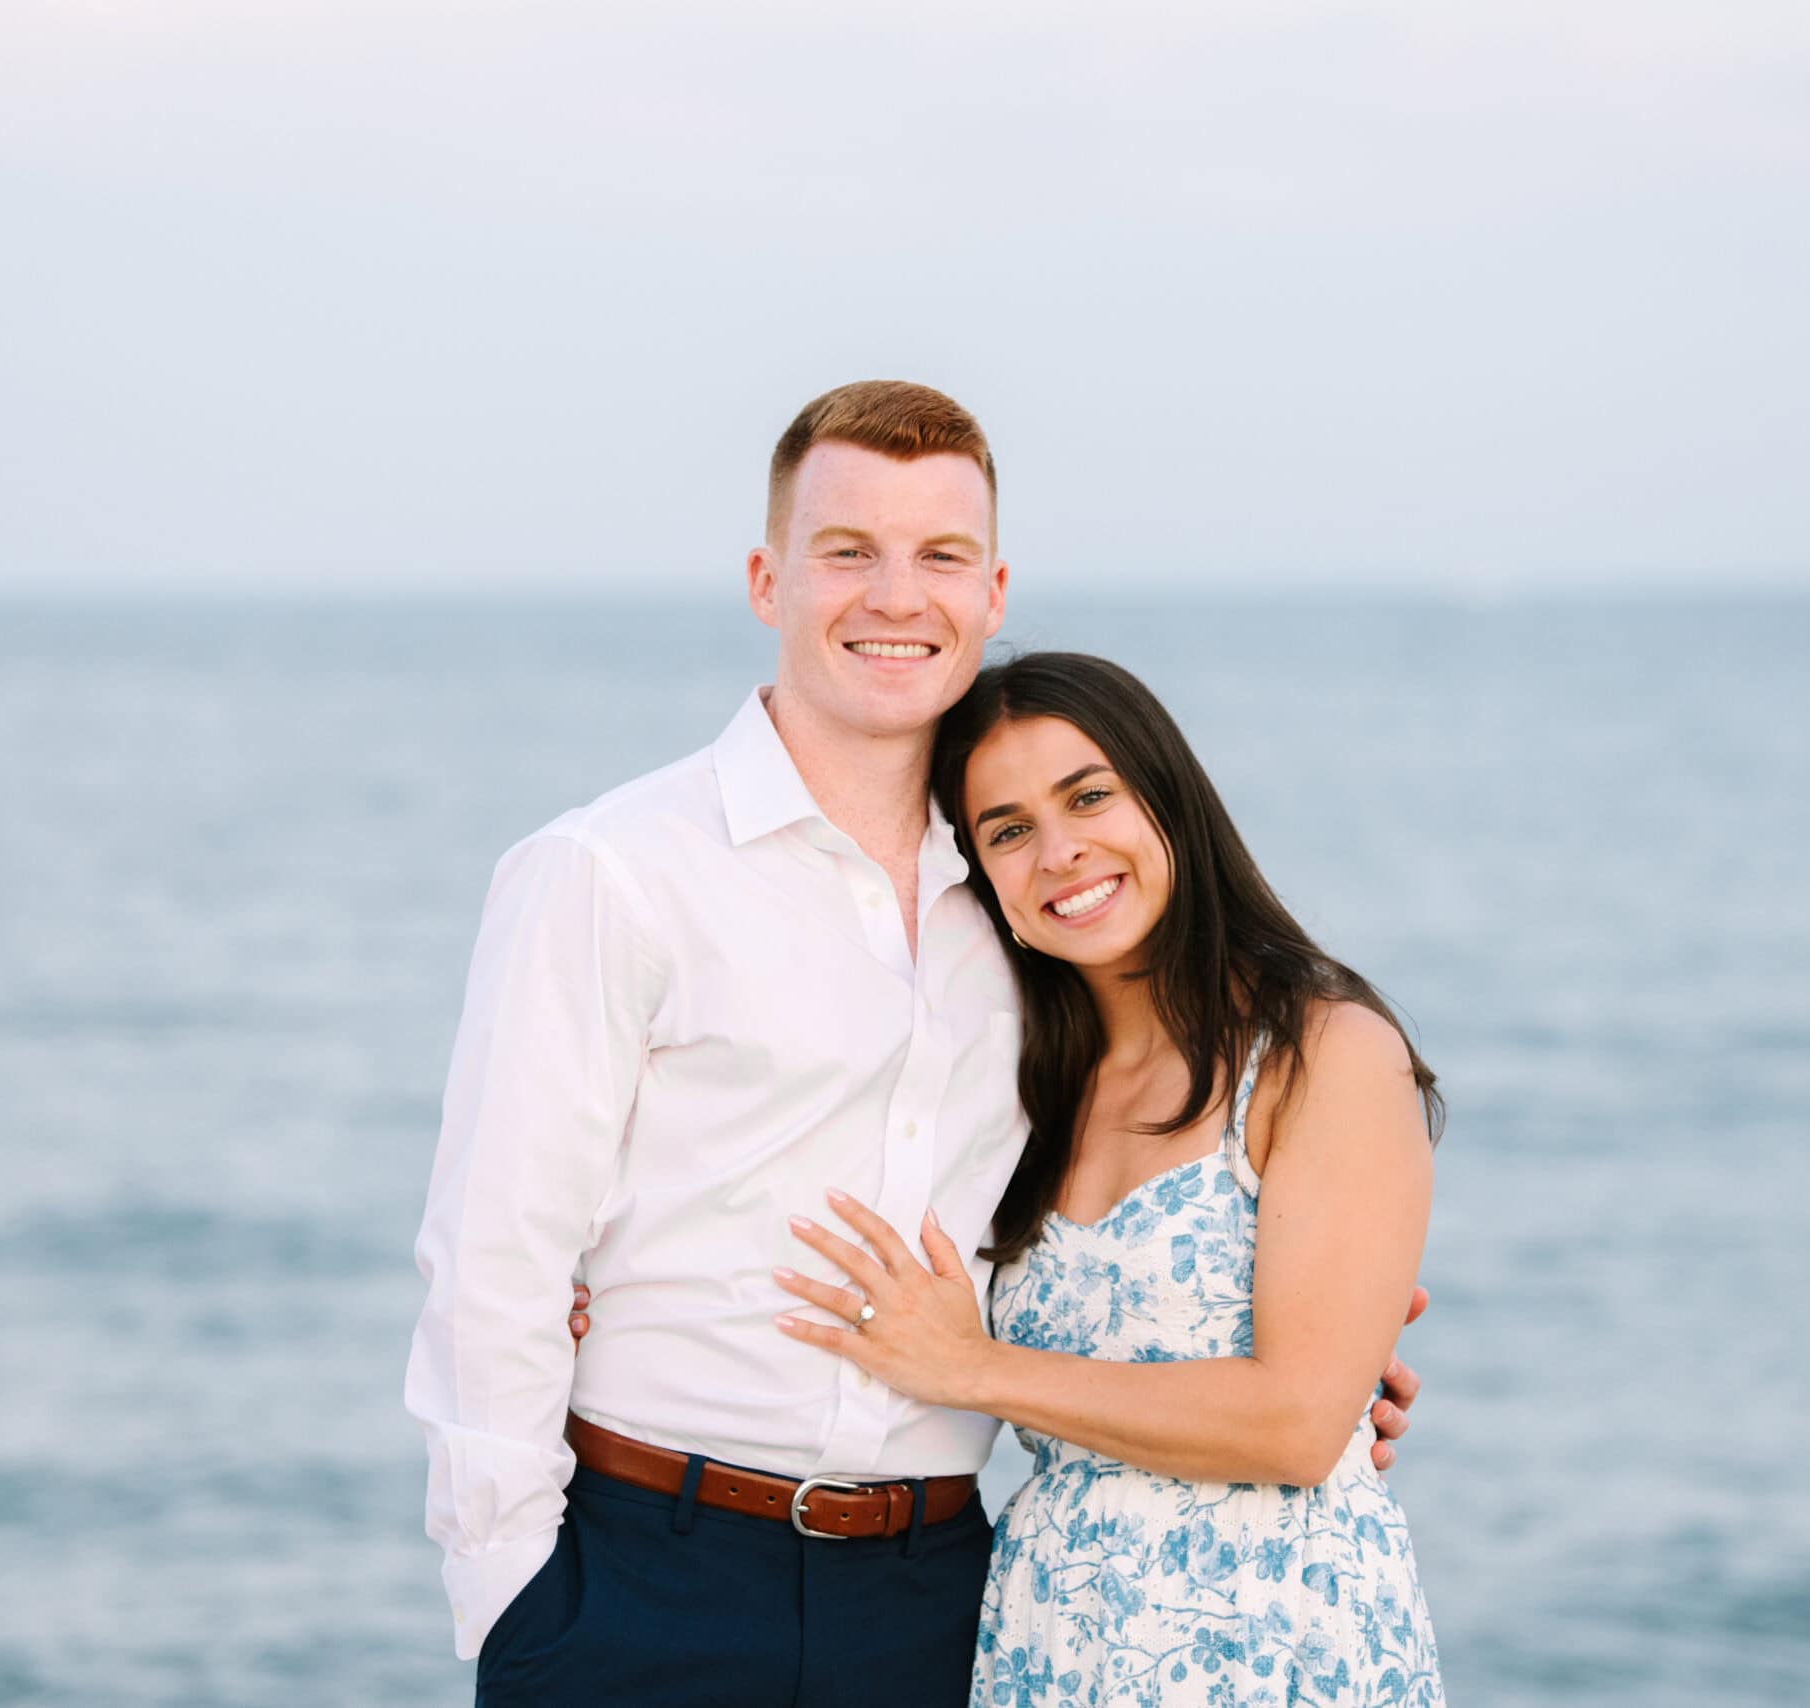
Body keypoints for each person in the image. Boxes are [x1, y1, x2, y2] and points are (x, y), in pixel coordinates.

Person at [406, 381, 1427, 1707]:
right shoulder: (612, 874)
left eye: (939, 556)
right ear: (770, 579)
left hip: (945, 1603)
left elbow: (1154, 1195)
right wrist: (515, 1607)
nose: (897, 596)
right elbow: (495, 1260)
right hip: (644, 1583)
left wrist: (1315, 1350)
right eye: (848, 552)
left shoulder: (1032, 912)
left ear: (993, 591)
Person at [769, 652, 1446, 1705]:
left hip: (1273, 1644)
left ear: (1164, 793)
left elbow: (1299, 1424)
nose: (1060, 851)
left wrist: (972, 1367)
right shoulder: (1019, 1091)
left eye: (1088, 796)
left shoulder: (1323, 1050)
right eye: (1006, 829)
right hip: (1054, 1642)